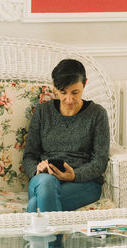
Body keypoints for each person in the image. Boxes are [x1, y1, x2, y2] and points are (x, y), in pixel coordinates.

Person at [23, 59, 110, 212]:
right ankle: (57, 236)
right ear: (55, 88)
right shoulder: (43, 112)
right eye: (63, 93)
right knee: (46, 184)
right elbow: (29, 156)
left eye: (75, 92)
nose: (69, 100)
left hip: (83, 184)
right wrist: (38, 169)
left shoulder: (97, 114)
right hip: (44, 180)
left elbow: (100, 161)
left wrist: (74, 175)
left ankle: (47, 233)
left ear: (85, 83)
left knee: (35, 204)